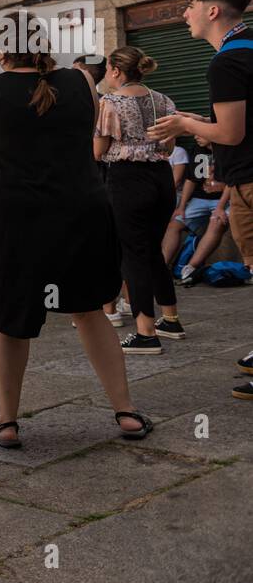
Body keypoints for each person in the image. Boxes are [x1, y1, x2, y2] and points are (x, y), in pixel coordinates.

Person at [0, 11, 151, 447]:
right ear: (43, 41)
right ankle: (126, 413)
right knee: (89, 311)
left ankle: (7, 423)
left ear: (1, 47)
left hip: (16, 217)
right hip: (79, 211)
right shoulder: (82, 81)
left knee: (11, 321)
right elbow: (79, 139)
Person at [147, 0, 252, 398]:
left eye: (189, 5)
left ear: (212, 10)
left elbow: (230, 133)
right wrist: (195, 125)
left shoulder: (226, 61)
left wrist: (184, 123)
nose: (184, 14)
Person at [95, 45, 184, 353]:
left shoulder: (110, 102)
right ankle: (170, 318)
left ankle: (146, 332)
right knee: (153, 251)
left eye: (107, 69)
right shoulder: (164, 100)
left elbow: (98, 151)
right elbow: (170, 149)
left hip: (126, 179)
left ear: (117, 70)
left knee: (133, 253)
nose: (106, 75)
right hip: (161, 177)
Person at [162, 135, 231, 285]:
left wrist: (219, 207)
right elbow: (191, 179)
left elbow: (233, 182)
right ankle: (161, 268)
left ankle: (190, 269)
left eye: (200, 133)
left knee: (216, 222)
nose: (196, 136)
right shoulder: (198, 149)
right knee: (175, 224)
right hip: (200, 199)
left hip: (224, 199)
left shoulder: (228, 148)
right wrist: (181, 207)